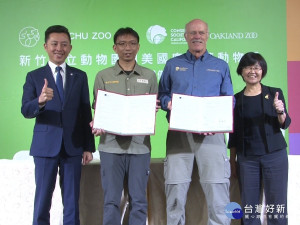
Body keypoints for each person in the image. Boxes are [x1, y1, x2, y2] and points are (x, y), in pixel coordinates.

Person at [158, 19, 233, 225]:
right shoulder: (173, 65)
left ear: (207, 35)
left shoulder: (220, 66)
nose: (197, 36)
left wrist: (216, 122)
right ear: (185, 36)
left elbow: (229, 100)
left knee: (218, 191)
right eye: (192, 33)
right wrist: (168, 102)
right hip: (179, 136)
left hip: (212, 136)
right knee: (175, 190)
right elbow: (162, 94)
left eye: (201, 32)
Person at [21, 25, 95, 225]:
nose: (59, 48)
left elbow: (85, 112)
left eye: (64, 44)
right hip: (45, 147)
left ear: (70, 48)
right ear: (46, 46)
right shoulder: (34, 76)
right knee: (42, 200)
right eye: (54, 44)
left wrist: (88, 146)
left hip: (73, 147)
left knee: (72, 201)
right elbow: (26, 110)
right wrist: (40, 101)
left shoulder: (79, 76)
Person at [91, 27, 158, 225]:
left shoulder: (150, 75)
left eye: (131, 44)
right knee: (111, 200)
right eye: (122, 44)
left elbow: (153, 108)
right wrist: (98, 122)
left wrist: (151, 108)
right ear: (114, 48)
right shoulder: (103, 76)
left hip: (140, 146)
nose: (127, 48)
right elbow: (99, 108)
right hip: (110, 146)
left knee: (139, 200)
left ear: (138, 46)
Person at [228, 52, 291, 225]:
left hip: (275, 156)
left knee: (276, 205)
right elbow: (234, 134)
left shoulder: (274, 93)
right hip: (247, 159)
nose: (253, 71)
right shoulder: (236, 100)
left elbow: (284, 123)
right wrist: (233, 161)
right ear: (241, 71)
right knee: (249, 206)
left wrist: (280, 111)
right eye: (248, 67)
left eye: (257, 67)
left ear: (262, 70)